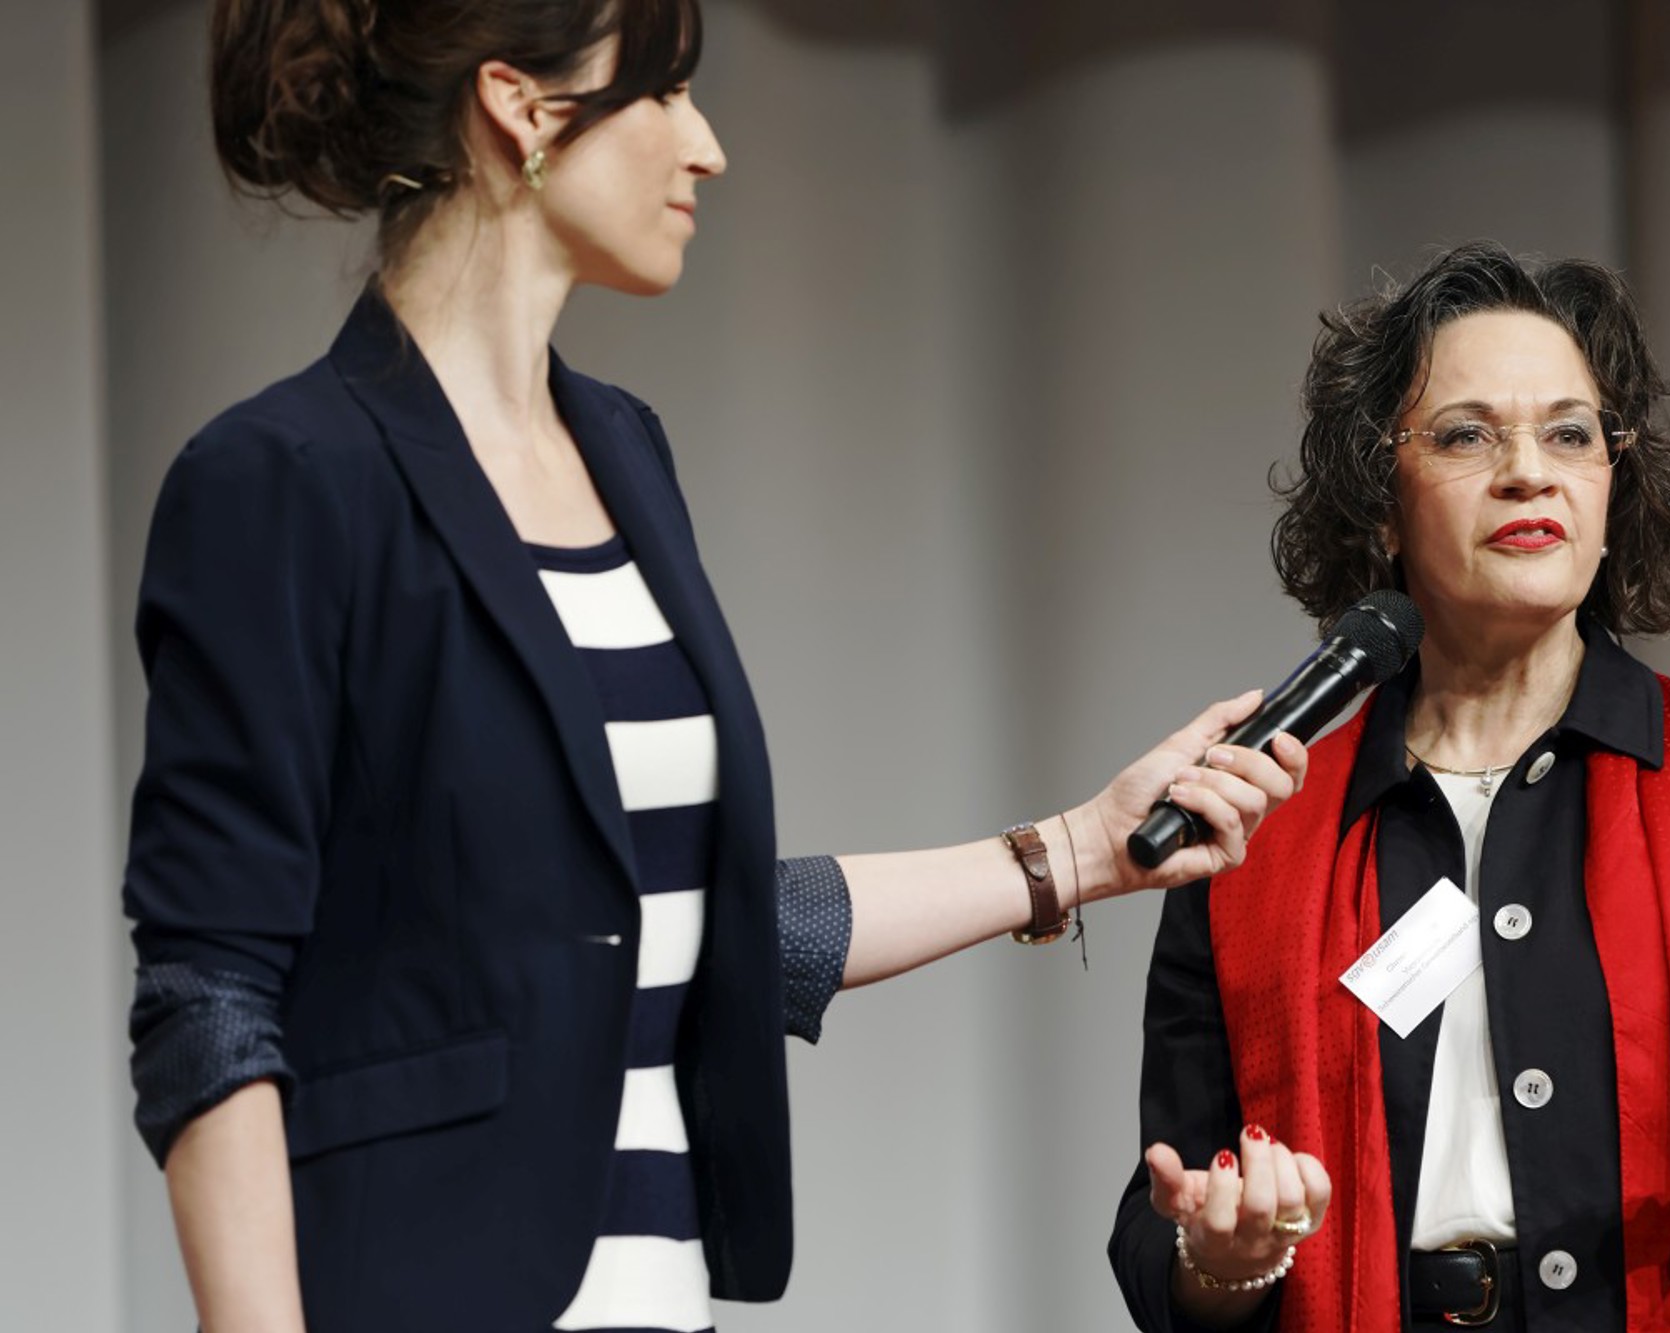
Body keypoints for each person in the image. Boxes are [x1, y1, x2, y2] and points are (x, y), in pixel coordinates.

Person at [123, 4, 1311, 1332]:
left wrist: (1084, 846)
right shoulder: (282, 480)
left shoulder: (624, 453)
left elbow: (692, 923)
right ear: (522, 105)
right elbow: (209, 992)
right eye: (666, 90)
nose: (707, 146)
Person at [1107, 241, 1670, 1331]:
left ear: (1612, 482)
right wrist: (1224, 1258)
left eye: (1569, 433)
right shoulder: (1251, 820)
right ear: (1379, 503)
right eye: (1465, 435)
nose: (1528, 472)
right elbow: (1157, 1228)